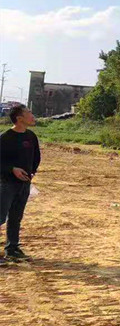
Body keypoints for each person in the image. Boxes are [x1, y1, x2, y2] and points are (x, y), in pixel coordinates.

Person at [0, 104, 40, 265]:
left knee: (16, 218)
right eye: (29, 112)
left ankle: (12, 249)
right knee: (0, 217)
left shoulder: (31, 136)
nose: (32, 115)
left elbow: (36, 157)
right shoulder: (5, 138)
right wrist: (12, 169)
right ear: (19, 118)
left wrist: (32, 171)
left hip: (24, 184)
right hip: (6, 183)